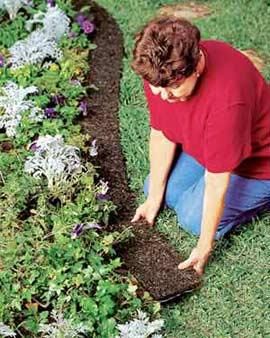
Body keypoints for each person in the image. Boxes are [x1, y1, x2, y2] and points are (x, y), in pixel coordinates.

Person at [130, 16, 270, 276]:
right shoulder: (161, 72)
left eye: (172, 89)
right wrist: (153, 199)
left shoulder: (228, 103)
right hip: (209, 145)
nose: (162, 95)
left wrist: (204, 245)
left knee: (191, 218)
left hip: (257, 163)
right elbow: (162, 132)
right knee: (157, 189)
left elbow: (217, 183)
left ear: (194, 67)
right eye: (156, 87)